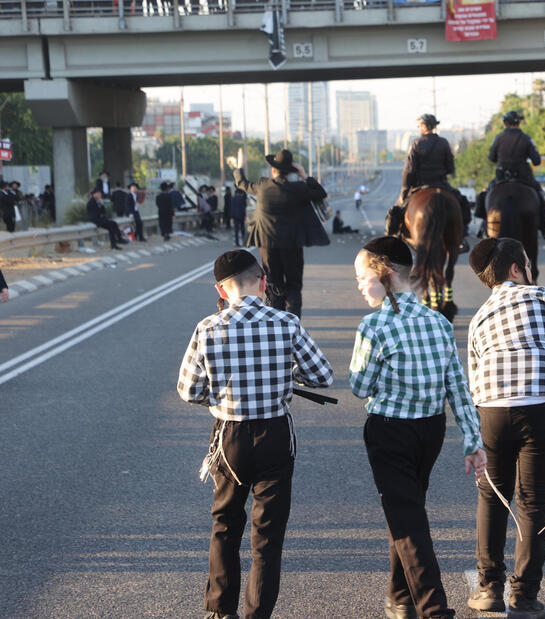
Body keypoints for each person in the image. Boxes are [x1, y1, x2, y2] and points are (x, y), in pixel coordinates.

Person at [177, 249, 333, 619]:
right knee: (268, 534)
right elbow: (322, 376)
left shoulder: (207, 328)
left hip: (229, 436)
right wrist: (287, 375)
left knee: (225, 523)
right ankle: (257, 613)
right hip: (276, 433)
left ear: (221, 289)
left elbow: (189, 391)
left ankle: (220, 610)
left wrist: (221, 396)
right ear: (262, 282)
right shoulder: (286, 323)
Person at [349, 236, 486, 619]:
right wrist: (472, 441)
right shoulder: (438, 321)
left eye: (362, 277)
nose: (359, 286)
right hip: (431, 431)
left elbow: (360, 386)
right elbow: (457, 385)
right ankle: (400, 597)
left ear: (385, 273)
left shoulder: (374, 325)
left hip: (389, 431)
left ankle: (433, 609)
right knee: (406, 509)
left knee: (408, 519)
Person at [466, 237, 545, 618]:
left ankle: (488, 588)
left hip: (491, 410)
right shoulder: (542, 296)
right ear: (516, 269)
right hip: (540, 406)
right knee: (534, 501)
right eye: (528, 263)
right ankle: (523, 597)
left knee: (492, 496)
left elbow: (473, 375)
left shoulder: (480, 317)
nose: (531, 270)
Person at [232, 149, 328, 318]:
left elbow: (242, 184)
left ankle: (277, 322)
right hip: (292, 244)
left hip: (268, 245)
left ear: (273, 170)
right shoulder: (299, 189)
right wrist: (305, 176)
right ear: (291, 171)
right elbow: (321, 193)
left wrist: (239, 167)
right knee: (294, 286)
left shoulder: (263, 186)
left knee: (273, 286)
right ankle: (293, 323)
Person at [474, 111, 545, 239]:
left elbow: (491, 158)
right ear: (519, 122)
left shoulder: (498, 138)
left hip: (502, 176)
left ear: (505, 123)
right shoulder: (526, 139)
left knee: (485, 194)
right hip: (523, 176)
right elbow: (536, 160)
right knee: (541, 196)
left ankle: (484, 225)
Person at [386, 114, 472, 241]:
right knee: (462, 203)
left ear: (424, 126)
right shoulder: (443, 143)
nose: (419, 128)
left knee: (396, 210)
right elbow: (450, 168)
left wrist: (404, 191)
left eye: (419, 126)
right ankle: (462, 234)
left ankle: (394, 236)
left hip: (420, 185)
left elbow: (409, 171)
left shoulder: (416, 143)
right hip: (441, 184)